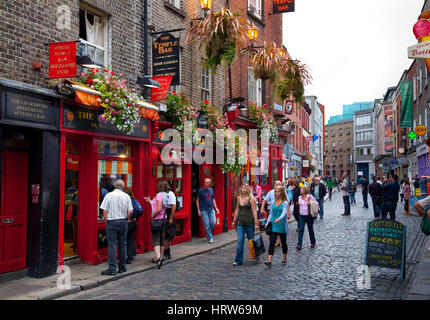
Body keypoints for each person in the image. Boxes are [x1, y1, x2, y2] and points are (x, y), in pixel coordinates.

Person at [100, 179, 133, 275]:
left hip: (112, 221)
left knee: (112, 245)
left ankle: (112, 268)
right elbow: (130, 211)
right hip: (123, 221)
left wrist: (106, 221)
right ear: (122, 186)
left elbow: (104, 211)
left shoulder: (109, 195)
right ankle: (122, 267)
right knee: (123, 244)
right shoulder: (126, 196)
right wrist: (126, 219)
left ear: (115, 186)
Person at [232, 184, 260, 266]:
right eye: (242, 188)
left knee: (251, 241)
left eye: (245, 188)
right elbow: (237, 209)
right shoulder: (238, 198)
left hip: (250, 223)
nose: (243, 189)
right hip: (240, 223)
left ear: (248, 189)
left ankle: (255, 256)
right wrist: (234, 220)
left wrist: (256, 223)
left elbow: (254, 211)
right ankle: (238, 260)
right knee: (240, 242)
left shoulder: (252, 199)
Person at [144, 181, 169, 269]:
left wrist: (152, 216)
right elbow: (159, 206)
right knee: (162, 238)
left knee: (155, 239)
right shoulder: (166, 195)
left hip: (158, 219)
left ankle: (158, 258)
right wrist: (150, 201)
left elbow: (158, 209)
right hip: (164, 218)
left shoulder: (159, 195)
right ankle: (161, 256)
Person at [264, 186, 290, 267]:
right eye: (276, 192)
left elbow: (284, 212)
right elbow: (271, 213)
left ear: (282, 192)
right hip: (274, 225)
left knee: (283, 242)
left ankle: (284, 257)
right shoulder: (274, 202)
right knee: (272, 242)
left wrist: (279, 218)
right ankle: (269, 260)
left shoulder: (285, 202)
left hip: (282, 225)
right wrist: (267, 222)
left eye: (278, 192)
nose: (277, 193)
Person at [196, 178, 220, 244]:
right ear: (204, 183)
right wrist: (198, 210)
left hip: (211, 209)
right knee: (206, 224)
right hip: (203, 210)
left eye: (209, 182)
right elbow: (197, 201)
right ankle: (210, 237)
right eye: (207, 182)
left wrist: (216, 208)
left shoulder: (211, 190)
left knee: (213, 222)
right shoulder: (200, 190)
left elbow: (213, 199)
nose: (208, 183)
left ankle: (208, 233)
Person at [261, 180, 284, 246]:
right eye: (277, 184)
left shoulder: (283, 193)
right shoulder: (271, 192)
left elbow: (287, 202)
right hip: (271, 211)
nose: (278, 186)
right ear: (274, 185)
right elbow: (265, 200)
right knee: (272, 226)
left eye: (279, 184)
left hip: (280, 212)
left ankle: (278, 240)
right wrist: (262, 208)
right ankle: (273, 240)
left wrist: (287, 212)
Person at [124, 187, 142, 264]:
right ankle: (130, 257)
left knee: (123, 241)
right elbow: (139, 211)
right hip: (134, 223)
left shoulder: (125, 201)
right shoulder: (135, 200)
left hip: (127, 222)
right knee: (131, 241)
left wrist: (126, 218)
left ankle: (124, 258)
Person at [296, 185, 317, 250]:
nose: (300, 190)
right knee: (301, 230)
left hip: (309, 216)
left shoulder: (310, 197)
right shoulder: (299, 197)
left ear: (305, 191)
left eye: (301, 189)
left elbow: (316, 203)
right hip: (301, 216)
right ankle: (299, 244)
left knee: (310, 229)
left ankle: (313, 242)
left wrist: (310, 202)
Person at [163, 181, 177, 260]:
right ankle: (166, 252)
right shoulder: (163, 193)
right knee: (166, 235)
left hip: (169, 214)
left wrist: (171, 218)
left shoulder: (171, 194)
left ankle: (167, 252)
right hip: (165, 214)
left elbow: (173, 206)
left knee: (168, 235)